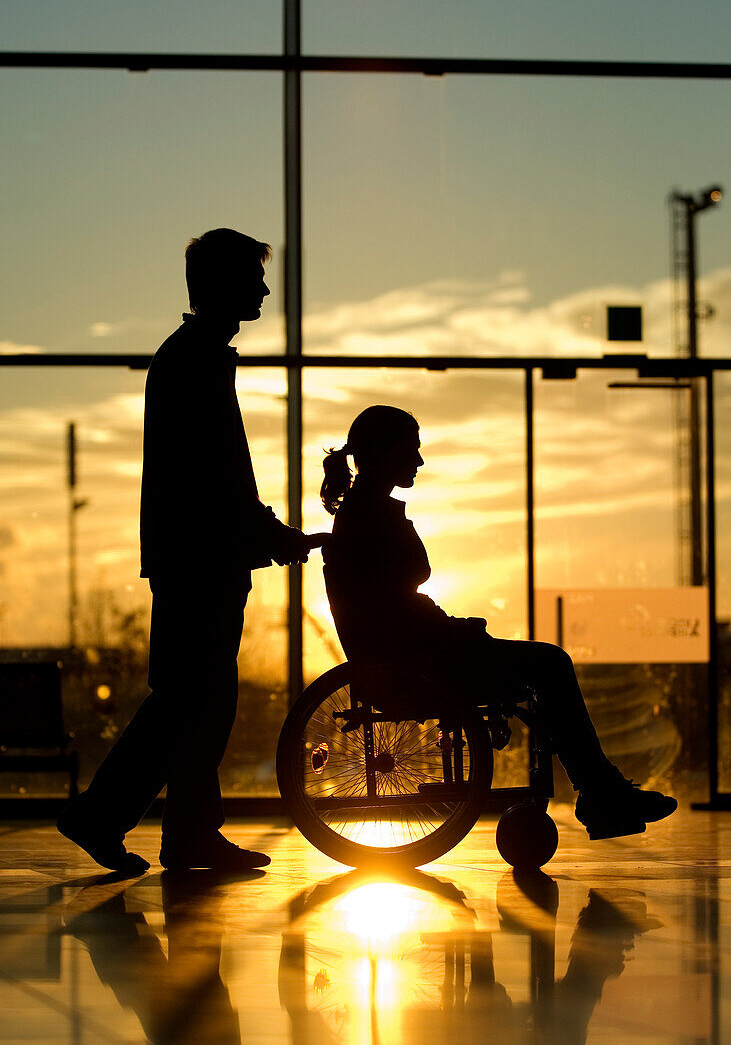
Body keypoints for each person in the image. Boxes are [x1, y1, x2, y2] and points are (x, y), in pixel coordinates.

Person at [58, 228, 309, 873]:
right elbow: (216, 474)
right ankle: (135, 821)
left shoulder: (188, 355)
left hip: (191, 554)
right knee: (193, 698)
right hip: (204, 558)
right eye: (253, 277)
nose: (263, 288)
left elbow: (206, 475)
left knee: (192, 697)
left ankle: (167, 828)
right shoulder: (199, 360)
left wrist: (258, 532)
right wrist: (263, 533)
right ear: (224, 283)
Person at [319, 404, 677, 841]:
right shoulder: (370, 516)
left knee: (547, 664)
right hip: (419, 666)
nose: (419, 460)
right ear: (382, 452)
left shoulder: (363, 513)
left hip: (417, 657)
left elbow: (395, 608)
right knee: (550, 664)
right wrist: (459, 631)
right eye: (411, 449)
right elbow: (400, 605)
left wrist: (455, 627)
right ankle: (599, 792)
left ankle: (599, 790)